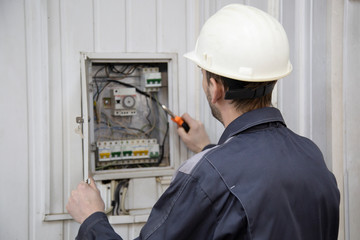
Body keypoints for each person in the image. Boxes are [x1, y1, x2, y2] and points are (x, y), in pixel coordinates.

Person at [67, 4, 340, 240]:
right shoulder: (311, 157)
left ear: (215, 88)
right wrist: (207, 147)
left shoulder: (206, 177)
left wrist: (92, 218)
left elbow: (227, 187)